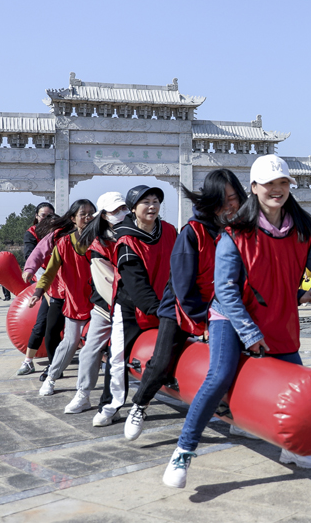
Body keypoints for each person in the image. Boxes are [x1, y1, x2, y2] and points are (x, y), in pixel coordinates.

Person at [162, 155, 311, 489]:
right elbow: (224, 291)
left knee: (295, 384)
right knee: (220, 375)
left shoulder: (301, 231)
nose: (277, 190)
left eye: (283, 183)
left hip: (277, 317)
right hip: (231, 316)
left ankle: (290, 449)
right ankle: (183, 450)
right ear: (254, 188)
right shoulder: (235, 234)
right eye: (269, 184)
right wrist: (249, 332)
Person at [123, 169, 248, 441]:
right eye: (224, 198)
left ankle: (237, 415)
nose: (231, 204)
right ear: (211, 200)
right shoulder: (192, 233)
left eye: (235, 197)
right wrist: (204, 321)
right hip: (182, 307)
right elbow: (182, 285)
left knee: (238, 360)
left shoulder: (240, 232)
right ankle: (140, 404)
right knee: (161, 360)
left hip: (224, 307)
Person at [93, 185, 177, 428]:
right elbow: (135, 285)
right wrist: (161, 310)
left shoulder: (170, 231)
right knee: (117, 356)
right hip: (131, 306)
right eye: (145, 202)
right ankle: (110, 406)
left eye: (156, 201)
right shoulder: (127, 240)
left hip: (165, 303)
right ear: (133, 208)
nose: (152, 206)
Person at [64, 192, 128, 414]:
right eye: (114, 211)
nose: (121, 214)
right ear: (104, 215)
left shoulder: (138, 232)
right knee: (90, 349)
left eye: (123, 208)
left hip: (142, 303)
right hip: (108, 306)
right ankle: (83, 394)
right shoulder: (98, 243)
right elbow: (106, 283)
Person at [29, 199, 97, 397]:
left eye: (91, 213)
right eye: (83, 214)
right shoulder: (64, 243)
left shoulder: (101, 240)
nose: (87, 217)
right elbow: (49, 272)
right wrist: (37, 292)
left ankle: (84, 392)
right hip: (75, 303)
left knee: (95, 346)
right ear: (73, 218)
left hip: (99, 305)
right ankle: (51, 377)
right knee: (69, 343)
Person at [20, 202, 84, 381]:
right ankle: (48, 364)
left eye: (89, 214)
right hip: (56, 291)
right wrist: (31, 272)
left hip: (82, 293)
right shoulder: (51, 237)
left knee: (84, 332)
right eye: (43, 216)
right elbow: (36, 255)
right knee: (49, 328)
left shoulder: (86, 235)